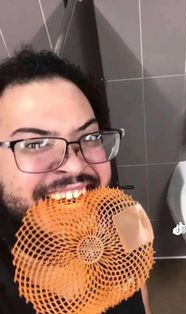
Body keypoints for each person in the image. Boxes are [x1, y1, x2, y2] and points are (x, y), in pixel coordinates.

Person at [0, 48, 152, 314]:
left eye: (90, 137)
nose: (74, 164)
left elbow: (139, 285)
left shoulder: (125, 214)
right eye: (35, 143)